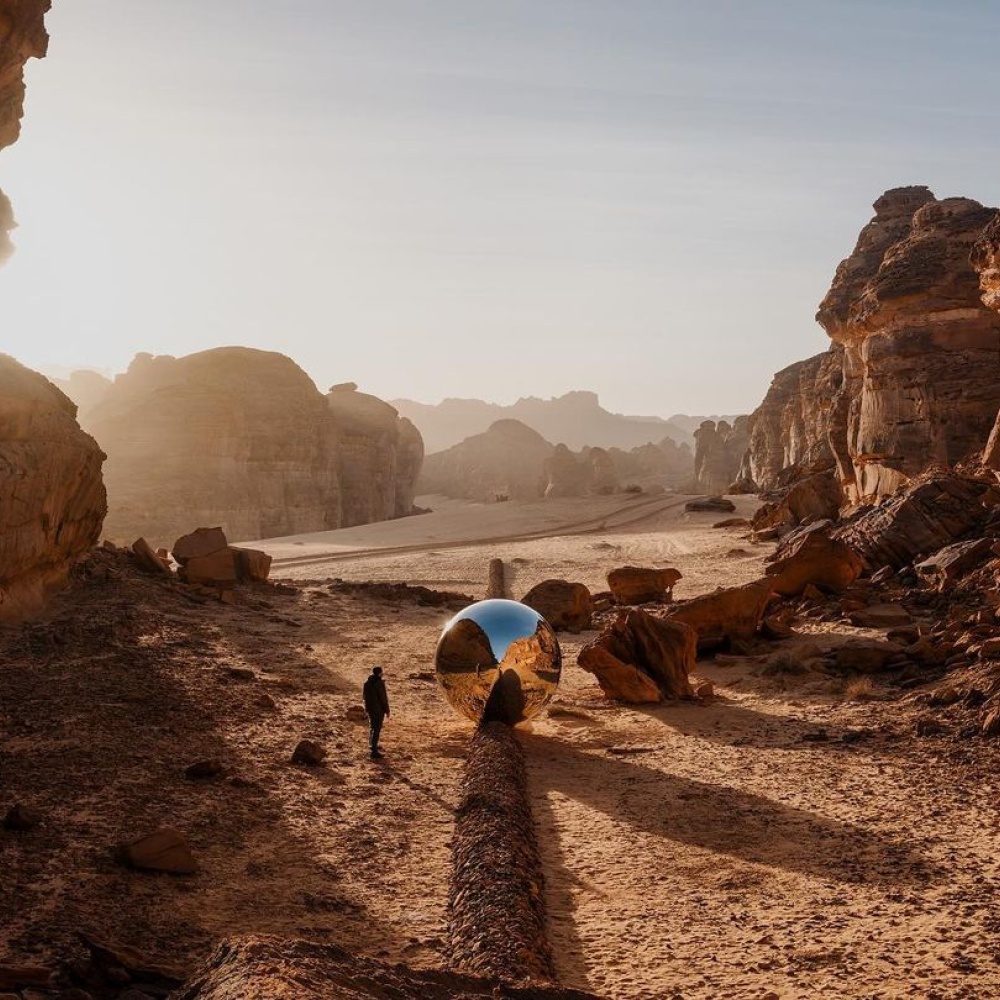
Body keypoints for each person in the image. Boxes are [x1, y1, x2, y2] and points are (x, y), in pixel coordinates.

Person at [362, 666, 390, 758]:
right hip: (378, 710)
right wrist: (387, 710)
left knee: (372, 728)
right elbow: (383, 699)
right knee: (377, 729)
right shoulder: (379, 683)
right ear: (379, 673)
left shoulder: (366, 683)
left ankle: (372, 746)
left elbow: (364, 697)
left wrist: (367, 708)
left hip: (370, 709)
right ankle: (374, 751)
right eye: (382, 672)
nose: (383, 673)